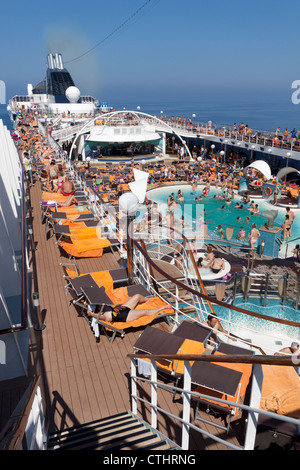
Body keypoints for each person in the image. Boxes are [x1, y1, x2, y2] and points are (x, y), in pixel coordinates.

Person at [90, 294, 172, 323]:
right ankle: (164, 307)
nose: (102, 304)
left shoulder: (105, 307)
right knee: (145, 312)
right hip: (127, 315)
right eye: (100, 305)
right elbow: (100, 317)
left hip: (123, 307)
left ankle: (148, 299)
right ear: (98, 309)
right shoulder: (105, 316)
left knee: (137, 296)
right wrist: (92, 314)